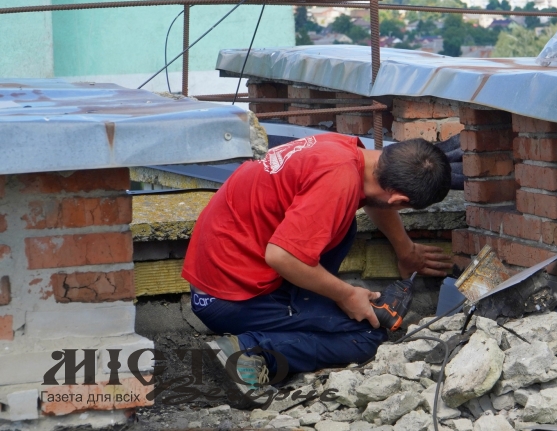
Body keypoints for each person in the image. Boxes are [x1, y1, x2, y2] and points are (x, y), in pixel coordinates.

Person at [181, 133, 453, 397]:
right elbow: (281, 256)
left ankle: (298, 311)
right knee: (366, 336)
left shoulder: (347, 152)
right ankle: (246, 351)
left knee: (344, 226)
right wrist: (346, 295)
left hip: (227, 274)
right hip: (229, 298)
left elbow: (377, 200)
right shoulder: (337, 182)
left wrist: (405, 250)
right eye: (401, 208)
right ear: (399, 201)